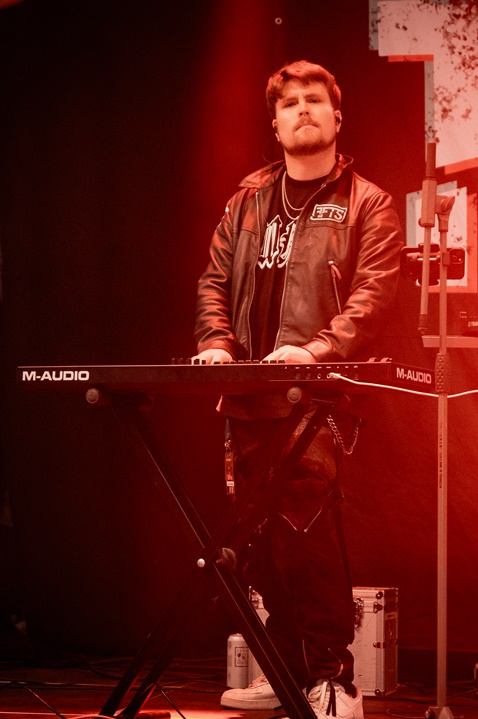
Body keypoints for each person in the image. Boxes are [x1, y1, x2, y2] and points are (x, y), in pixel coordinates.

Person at [193, 60, 403, 719]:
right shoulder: (247, 201)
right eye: (291, 103)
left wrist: (315, 352)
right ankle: (284, 672)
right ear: (276, 124)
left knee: (307, 533)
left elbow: (373, 297)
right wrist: (216, 343)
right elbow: (213, 281)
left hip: (316, 397)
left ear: (338, 117)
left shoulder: (370, 203)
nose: (303, 109)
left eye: (315, 99)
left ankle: (335, 681)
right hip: (249, 395)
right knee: (258, 539)